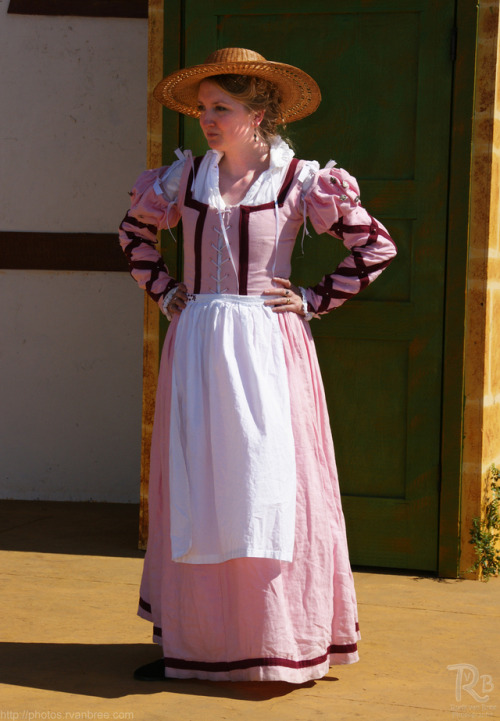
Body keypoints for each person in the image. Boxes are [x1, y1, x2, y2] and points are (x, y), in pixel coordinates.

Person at [118, 47, 396, 684]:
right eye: (203, 109)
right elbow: (133, 236)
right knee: (198, 486)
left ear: (260, 112)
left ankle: (280, 639)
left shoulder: (301, 180)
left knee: (270, 490)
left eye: (223, 108)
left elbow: (374, 246)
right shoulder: (184, 179)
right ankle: (199, 642)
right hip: (198, 344)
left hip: (269, 348)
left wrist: (310, 299)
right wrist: (166, 292)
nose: (208, 120)